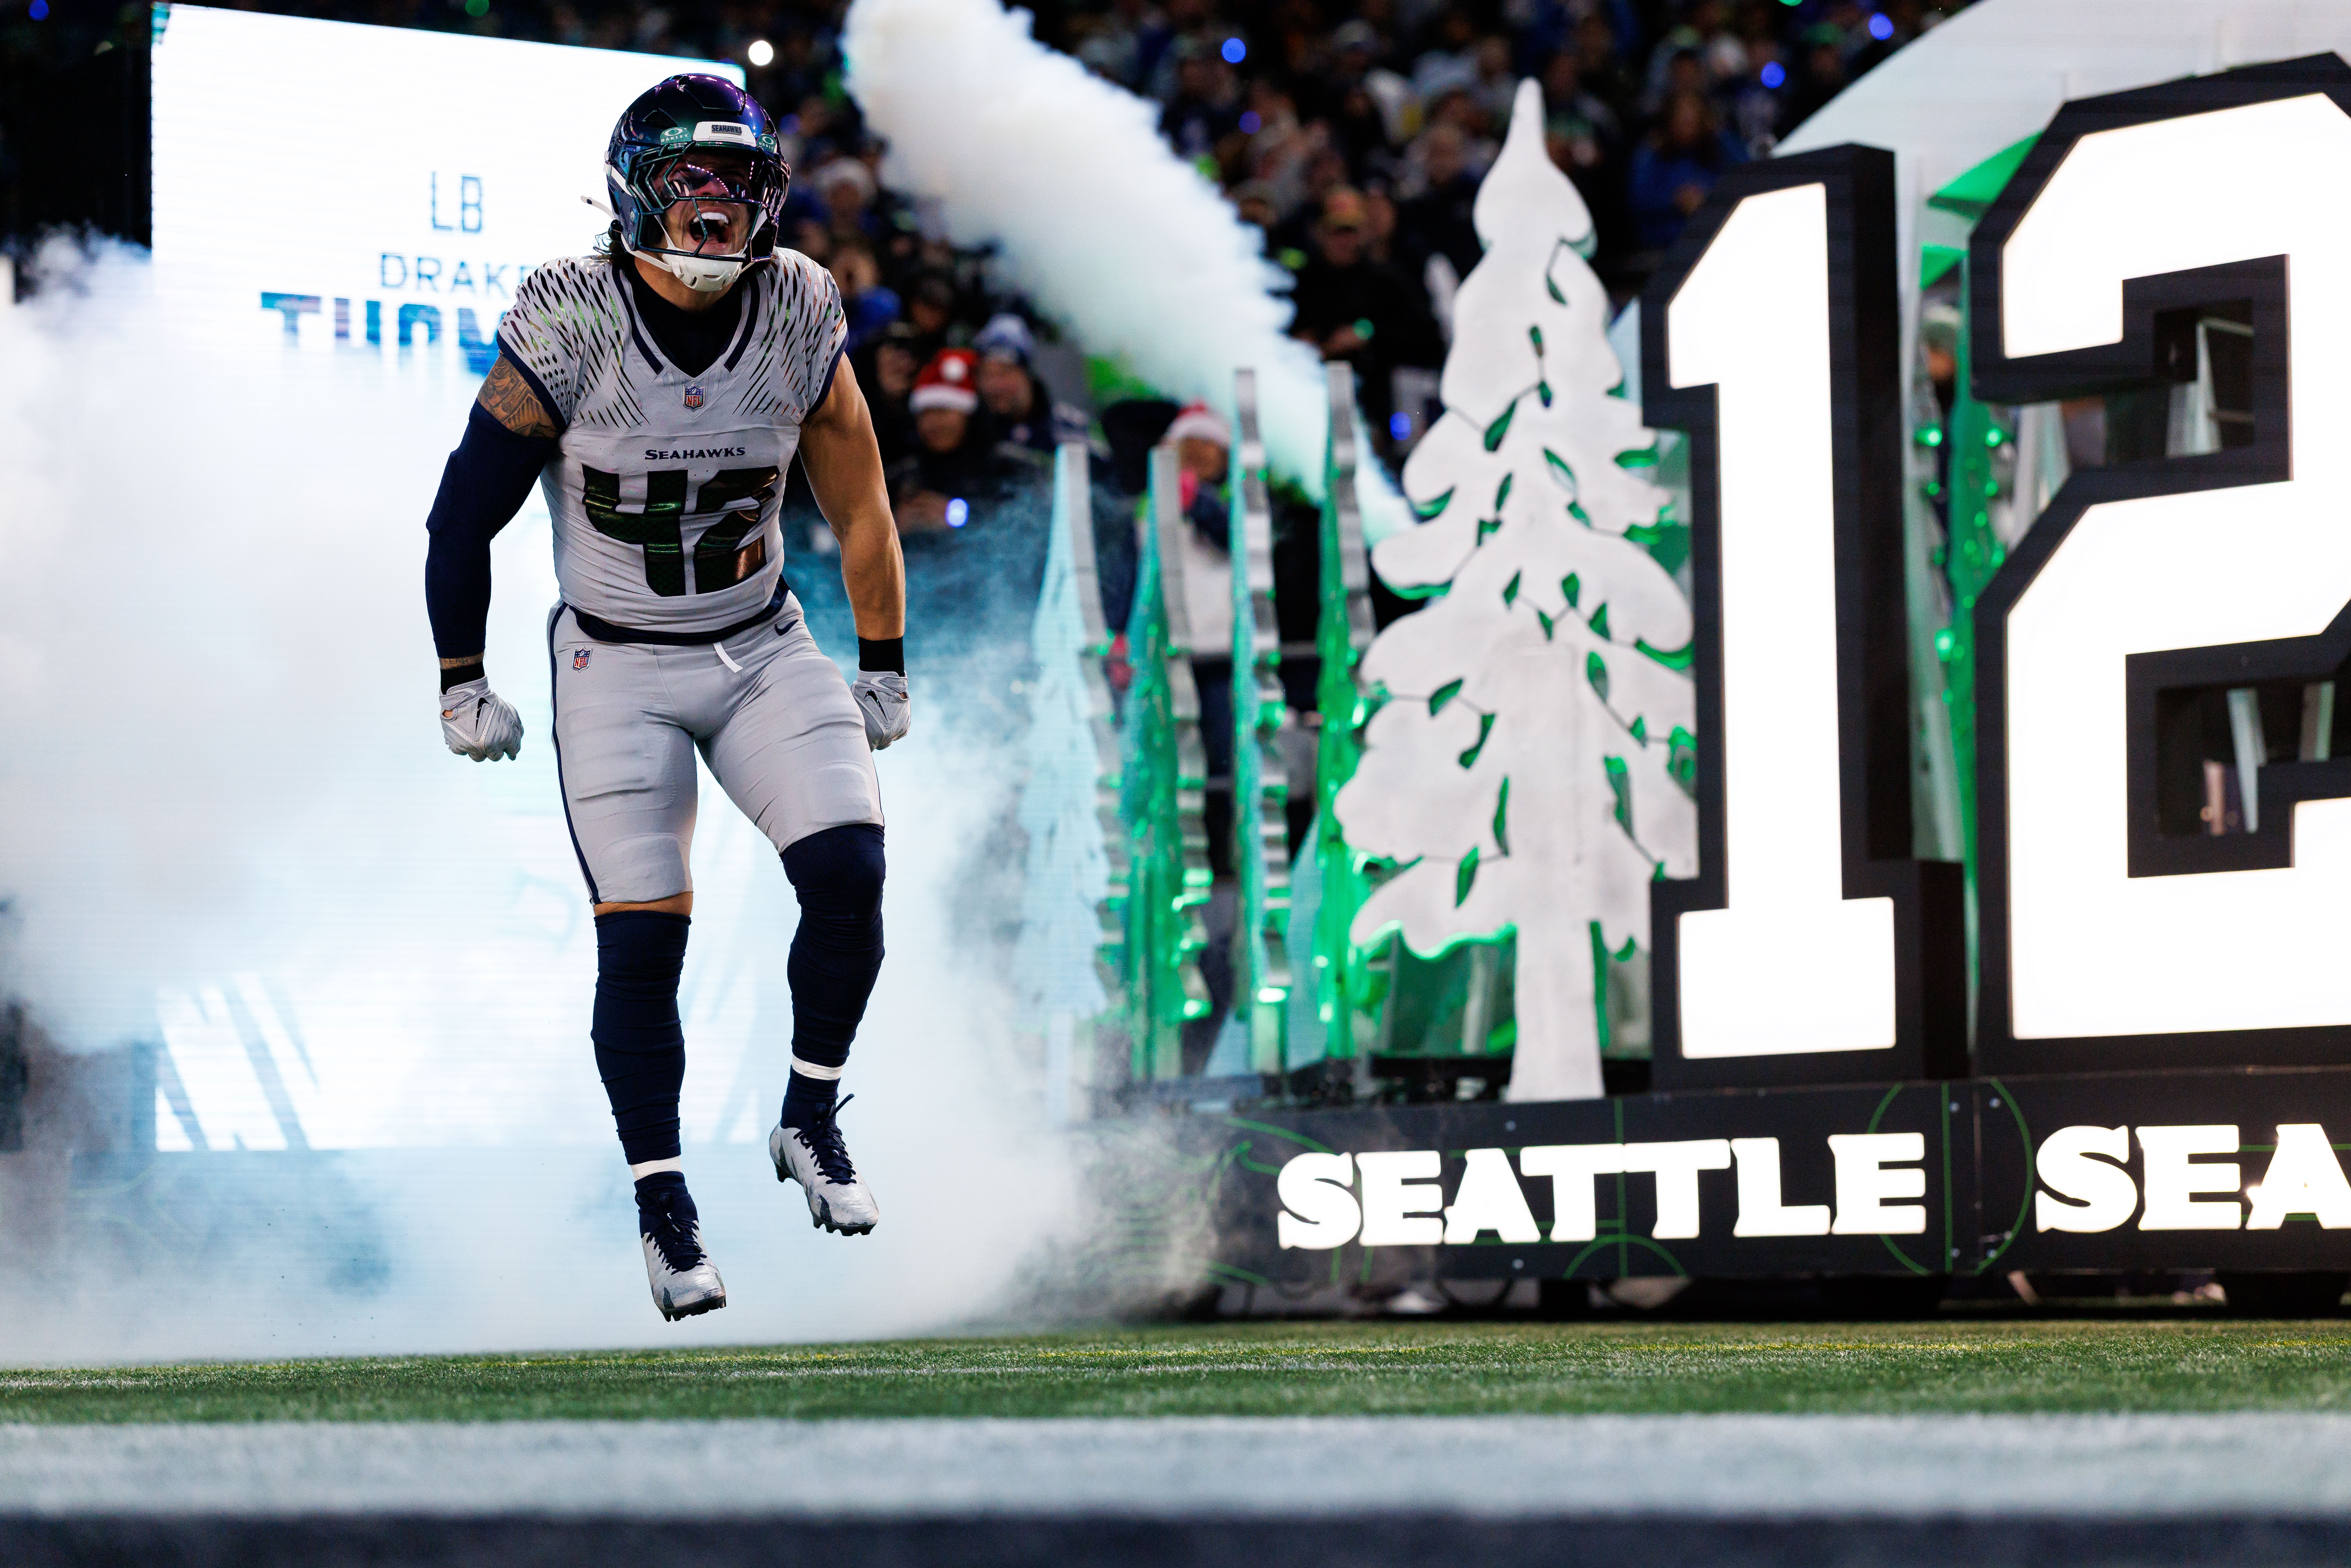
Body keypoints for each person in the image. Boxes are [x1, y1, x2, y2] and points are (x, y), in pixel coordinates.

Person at [421, 75, 907, 1324]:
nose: (714, 208)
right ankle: (664, 1208)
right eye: (691, 183)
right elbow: (463, 511)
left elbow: (856, 495)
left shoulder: (797, 304)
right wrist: (459, 676)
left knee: (850, 870)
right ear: (637, 187)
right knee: (644, 938)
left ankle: (808, 1117)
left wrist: (884, 650)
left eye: (735, 183)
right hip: (616, 661)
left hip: (759, 642)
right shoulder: (570, 314)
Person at [972, 313, 1089, 456]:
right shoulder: (971, 433)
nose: (995, 385)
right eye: (986, 375)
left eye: (1005, 373)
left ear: (1027, 374)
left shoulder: (1068, 431)